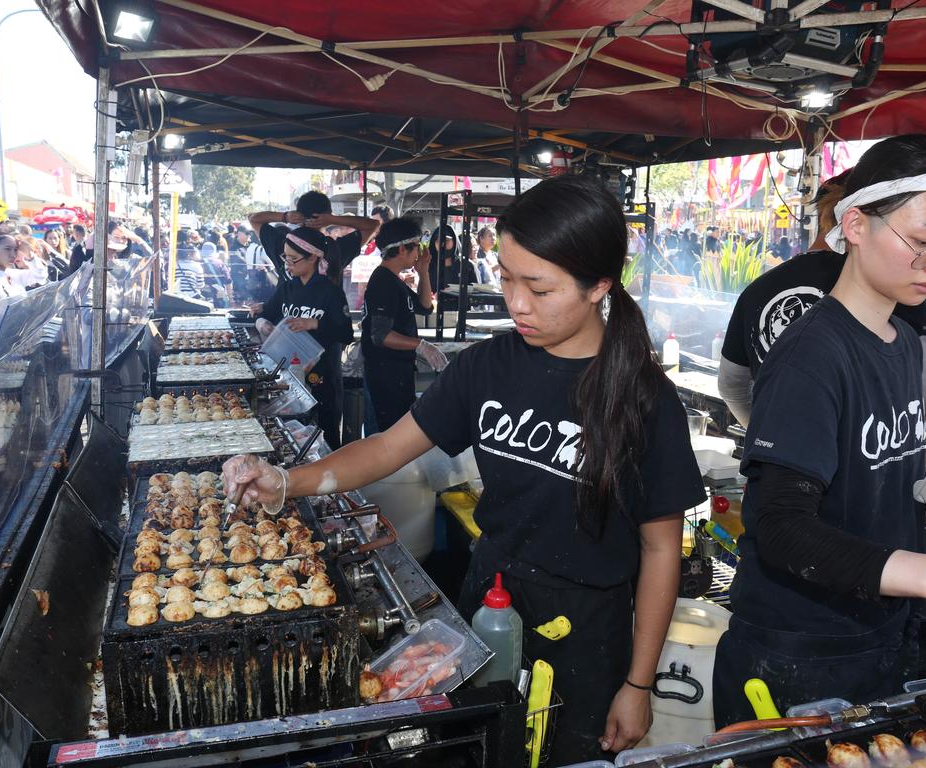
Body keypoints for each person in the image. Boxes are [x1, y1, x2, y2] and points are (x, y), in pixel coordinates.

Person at [221, 175, 706, 765]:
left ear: (599, 285)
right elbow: (385, 448)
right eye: (505, 276)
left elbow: (662, 550)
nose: (516, 302)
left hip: (589, 633)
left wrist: (637, 684)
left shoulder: (643, 397)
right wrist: (285, 481)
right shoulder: (488, 366)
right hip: (489, 606)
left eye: (540, 287)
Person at [712, 134, 926, 728]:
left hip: (881, 626)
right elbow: (783, 530)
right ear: (855, 224)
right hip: (803, 647)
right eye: (922, 241)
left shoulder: (904, 343)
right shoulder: (811, 354)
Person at [718, 168, 926, 425]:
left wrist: (763, 436)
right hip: (864, 457)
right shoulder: (895, 289)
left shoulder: (758, 289)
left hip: (784, 454)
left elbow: (731, 386)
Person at [254, 228, 354, 449]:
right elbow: (265, 313)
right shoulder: (288, 288)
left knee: (326, 434)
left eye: (293, 259)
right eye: (285, 257)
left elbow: (346, 332)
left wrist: (315, 323)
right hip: (291, 375)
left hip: (324, 375)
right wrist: (264, 324)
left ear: (312, 258)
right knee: (293, 435)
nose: (287, 264)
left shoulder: (331, 291)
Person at [360, 217, 442, 431]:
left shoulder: (394, 280)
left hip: (397, 374)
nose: (419, 253)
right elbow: (381, 335)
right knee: (385, 440)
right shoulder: (383, 282)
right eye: (416, 247)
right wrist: (421, 345)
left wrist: (423, 271)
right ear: (403, 249)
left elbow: (425, 306)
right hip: (385, 376)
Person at [249, 192, 378, 287]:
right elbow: (372, 225)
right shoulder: (335, 248)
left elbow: (254, 219)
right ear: (328, 213)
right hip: (327, 320)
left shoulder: (284, 244)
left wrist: (285, 217)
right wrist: (333, 219)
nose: (289, 264)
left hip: (288, 320)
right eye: (290, 258)